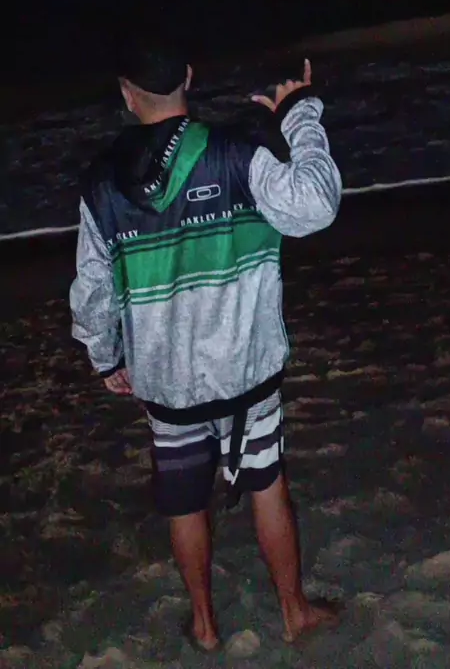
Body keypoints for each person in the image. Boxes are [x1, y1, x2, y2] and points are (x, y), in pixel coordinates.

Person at [70, 35, 343, 653]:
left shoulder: (102, 183)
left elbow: (91, 290)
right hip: (246, 372)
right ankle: (294, 612)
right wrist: (299, 114)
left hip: (167, 384)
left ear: (126, 94)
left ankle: (204, 624)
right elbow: (315, 205)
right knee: (267, 484)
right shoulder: (237, 152)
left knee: (184, 502)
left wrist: (105, 356)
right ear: (188, 77)